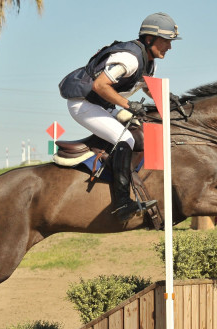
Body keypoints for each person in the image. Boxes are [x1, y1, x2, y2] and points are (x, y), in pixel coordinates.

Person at [59, 12, 181, 222]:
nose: (169, 47)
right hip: (83, 103)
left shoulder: (149, 62)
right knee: (126, 139)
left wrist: (169, 97)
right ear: (149, 39)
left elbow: (146, 87)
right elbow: (100, 85)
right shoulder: (130, 58)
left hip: (102, 104)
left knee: (141, 127)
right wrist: (128, 104)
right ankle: (122, 203)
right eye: (166, 41)